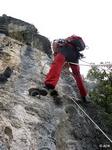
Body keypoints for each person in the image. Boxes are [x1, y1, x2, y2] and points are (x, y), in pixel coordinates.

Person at [29, 36, 87, 101]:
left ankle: (47, 86)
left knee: (57, 64)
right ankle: (83, 95)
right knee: (77, 74)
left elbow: (54, 43)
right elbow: (68, 58)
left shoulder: (61, 40)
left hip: (65, 49)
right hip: (75, 54)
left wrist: (56, 53)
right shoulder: (72, 43)